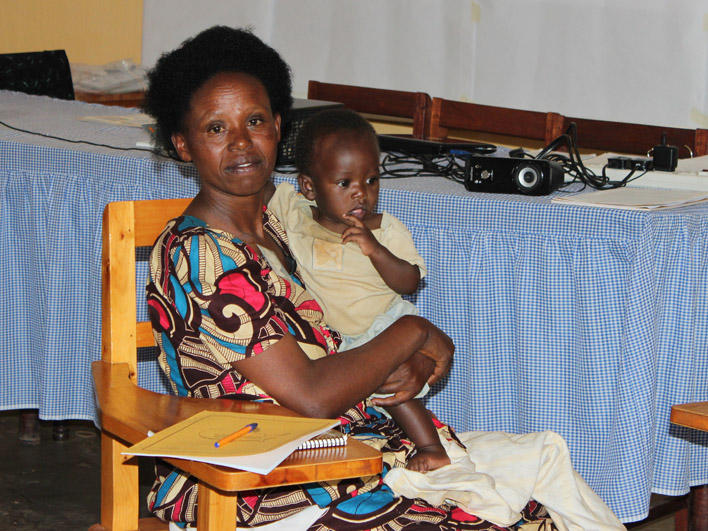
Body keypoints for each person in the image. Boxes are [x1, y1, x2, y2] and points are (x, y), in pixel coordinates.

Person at [143, 25, 624, 530]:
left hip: (350, 446)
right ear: (182, 144)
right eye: (216, 128)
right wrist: (413, 333)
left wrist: (403, 367)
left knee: (547, 496)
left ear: (279, 127)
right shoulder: (200, 258)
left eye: (255, 120)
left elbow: (349, 327)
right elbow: (310, 392)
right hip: (266, 482)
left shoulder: (282, 224)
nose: (240, 142)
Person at [267, 108, 449, 473]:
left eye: (371, 181)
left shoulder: (384, 229)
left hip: (385, 326)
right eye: (344, 183)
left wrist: (376, 250)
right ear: (309, 187)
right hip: (342, 340)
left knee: (393, 390)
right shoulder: (296, 213)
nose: (360, 195)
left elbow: (410, 281)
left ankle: (431, 447)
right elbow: (260, 190)